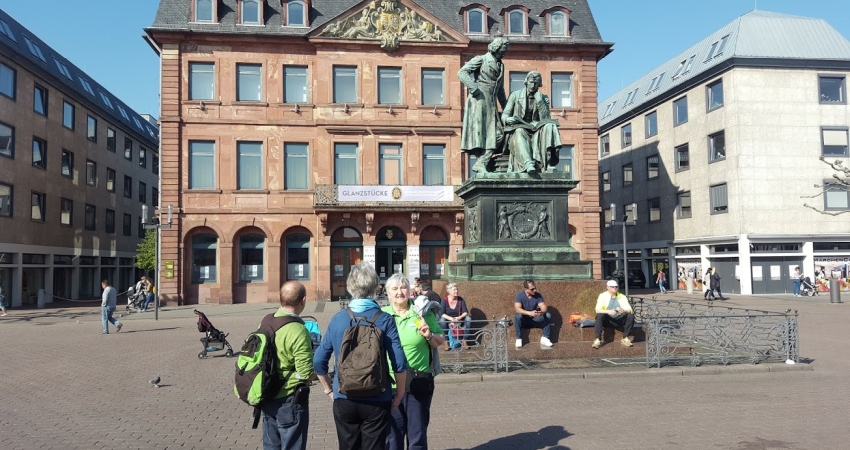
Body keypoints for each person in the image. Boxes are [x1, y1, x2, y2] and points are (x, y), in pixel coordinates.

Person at [313, 262, 408, 450]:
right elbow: (399, 362)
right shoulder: (385, 319)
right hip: (378, 396)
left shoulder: (338, 318)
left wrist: (329, 390)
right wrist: (400, 393)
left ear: (349, 287)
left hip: (344, 396)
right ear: (375, 287)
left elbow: (318, 361)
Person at [382, 274, 444, 450]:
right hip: (390, 383)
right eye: (395, 288)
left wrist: (429, 335)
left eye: (403, 288)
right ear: (388, 292)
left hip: (418, 381)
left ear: (409, 291)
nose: (399, 292)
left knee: (417, 435)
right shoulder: (383, 316)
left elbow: (440, 339)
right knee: (392, 436)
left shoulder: (420, 313)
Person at [261, 281, 315, 450]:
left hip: (266, 394)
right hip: (289, 399)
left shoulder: (266, 321)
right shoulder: (298, 329)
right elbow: (305, 372)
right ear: (303, 300)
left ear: (280, 298)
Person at [458, 36, 509, 174]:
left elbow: (501, 90)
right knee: (480, 133)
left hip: (491, 102)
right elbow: (462, 72)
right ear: (496, 48)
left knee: (499, 133)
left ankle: (482, 162)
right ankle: (482, 163)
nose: (504, 52)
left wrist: (507, 108)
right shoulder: (481, 59)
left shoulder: (501, 65)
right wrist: (473, 88)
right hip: (479, 100)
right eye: (503, 49)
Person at [500, 71, 562, 173]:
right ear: (526, 81)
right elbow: (505, 114)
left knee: (550, 125)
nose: (533, 86)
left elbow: (546, 118)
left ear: (539, 84)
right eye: (531, 82)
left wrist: (540, 102)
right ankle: (528, 164)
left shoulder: (543, 98)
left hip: (536, 130)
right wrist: (507, 119)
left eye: (536, 83)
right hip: (518, 129)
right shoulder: (515, 95)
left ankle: (548, 163)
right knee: (519, 131)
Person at [592, 280, 634, 349]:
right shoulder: (602, 296)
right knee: (599, 315)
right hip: (608, 320)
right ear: (608, 287)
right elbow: (597, 309)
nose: (614, 288)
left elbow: (629, 310)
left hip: (619, 320)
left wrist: (624, 311)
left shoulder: (622, 296)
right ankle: (597, 339)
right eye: (612, 287)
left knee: (630, 316)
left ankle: (625, 337)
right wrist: (608, 311)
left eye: (616, 286)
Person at [514, 280, 553, 348]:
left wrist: (541, 312)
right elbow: (517, 309)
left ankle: (545, 338)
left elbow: (543, 307)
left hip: (535, 319)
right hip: (524, 321)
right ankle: (518, 338)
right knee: (517, 316)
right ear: (526, 289)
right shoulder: (519, 295)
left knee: (548, 315)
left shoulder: (538, 295)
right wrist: (529, 313)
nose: (534, 290)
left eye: (535, 288)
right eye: (532, 289)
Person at [438, 282, 472, 350]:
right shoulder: (444, 300)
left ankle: (464, 340)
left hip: (459, 320)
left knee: (468, 319)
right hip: (448, 321)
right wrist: (451, 318)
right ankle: (446, 341)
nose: (456, 291)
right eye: (454, 290)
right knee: (442, 320)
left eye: (457, 289)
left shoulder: (460, 300)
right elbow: (441, 313)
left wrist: (459, 317)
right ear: (449, 291)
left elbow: (465, 312)